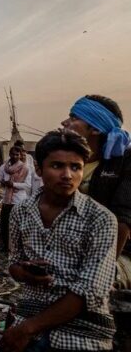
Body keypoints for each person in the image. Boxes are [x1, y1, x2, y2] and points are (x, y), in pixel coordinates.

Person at [1, 130, 117, 352]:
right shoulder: (21, 212)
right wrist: (24, 272)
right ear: (39, 169)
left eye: (76, 167)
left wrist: (27, 329)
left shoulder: (101, 219)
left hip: (82, 330)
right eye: (57, 166)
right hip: (29, 313)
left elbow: (89, 291)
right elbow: (13, 263)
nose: (67, 175)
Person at [61, 95, 131, 350]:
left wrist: (101, 269)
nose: (64, 122)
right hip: (75, 249)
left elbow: (121, 224)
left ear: (95, 127)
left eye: (73, 117)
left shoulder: (124, 162)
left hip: (119, 255)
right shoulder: (68, 160)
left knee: (91, 281)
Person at [0, 146, 32, 252]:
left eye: (17, 154)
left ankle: (17, 247)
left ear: (20, 155)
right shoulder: (3, 168)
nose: (15, 156)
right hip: (6, 200)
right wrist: (4, 183)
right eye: (13, 154)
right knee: (4, 224)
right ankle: (5, 246)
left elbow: (27, 186)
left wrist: (14, 184)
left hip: (18, 200)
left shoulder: (26, 168)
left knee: (17, 225)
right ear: (9, 154)